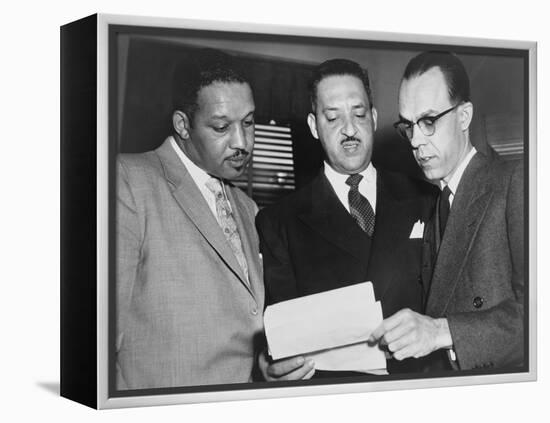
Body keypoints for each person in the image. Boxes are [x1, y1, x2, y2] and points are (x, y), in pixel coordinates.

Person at [255, 58, 437, 381]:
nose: (350, 130)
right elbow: (282, 337)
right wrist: (272, 367)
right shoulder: (277, 222)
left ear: (375, 117)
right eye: (333, 117)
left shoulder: (426, 200)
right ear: (313, 126)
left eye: (359, 114)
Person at [116, 50, 264, 389]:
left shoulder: (247, 207)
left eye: (249, 122)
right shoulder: (126, 180)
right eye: (222, 127)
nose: (242, 143)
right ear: (183, 125)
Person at [370, 51, 524, 371]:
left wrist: (442, 331)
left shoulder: (515, 183)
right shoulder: (431, 201)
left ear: (464, 116)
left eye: (428, 121)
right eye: (408, 125)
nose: (415, 140)